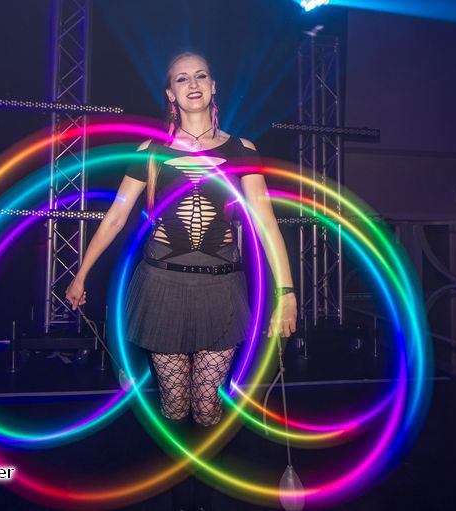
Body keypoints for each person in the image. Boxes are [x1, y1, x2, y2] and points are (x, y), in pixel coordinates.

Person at [64, 51, 297, 509]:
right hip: (162, 288)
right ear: (170, 94)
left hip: (220, 290)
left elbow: (266, 222)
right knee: (174, 406)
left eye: (201, 75)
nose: (193, 84)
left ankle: (203, 496)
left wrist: (286, 293)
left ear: (213, 87)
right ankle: (179, 496)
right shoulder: (150, 152)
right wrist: (81, 273)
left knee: (207, 406)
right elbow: (116, 218)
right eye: (182, 78)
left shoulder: (241, 150)